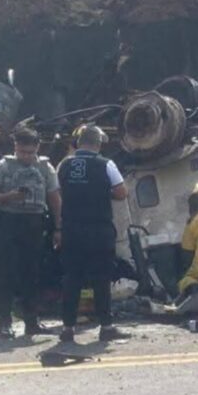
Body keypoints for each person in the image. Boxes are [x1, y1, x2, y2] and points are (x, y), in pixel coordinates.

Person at [0, 128, 62, 340]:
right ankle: (5, 323)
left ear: (37, 148)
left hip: (35, 222)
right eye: (22, 151)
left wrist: (58, 228)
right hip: (8, 221)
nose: (26, 156)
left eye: (30, 152)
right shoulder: (3, 166)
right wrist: (8, 196)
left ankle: (31, 321)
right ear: (15, 148)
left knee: (32, 273)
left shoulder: (45, 167)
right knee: (5, 274)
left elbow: (54, 197)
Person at [56, 125, 131, 343]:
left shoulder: (64, 164)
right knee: (101, 278)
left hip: (71, 229)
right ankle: (106, 327)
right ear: (98, 144)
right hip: (98, 229)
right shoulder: (106, 164)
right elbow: (121, 192)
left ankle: (68, 328)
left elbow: (57, 192)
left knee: (71, 278)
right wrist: (99, 192)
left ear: (79, 143)